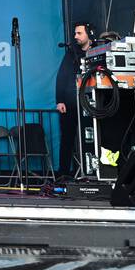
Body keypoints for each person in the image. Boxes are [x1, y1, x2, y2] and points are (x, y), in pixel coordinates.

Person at [55, 22, 94, 179]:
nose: (76, 36)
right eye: (75, 33)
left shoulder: (97, 50)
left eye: (79, 33)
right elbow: (61, 77)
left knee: (92, 137)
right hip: (70, 103)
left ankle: (92, 171)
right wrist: (60, 100)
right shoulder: (71, 53)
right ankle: (63, 173)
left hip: (92, 103)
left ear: (89, 34)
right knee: (67, 138)